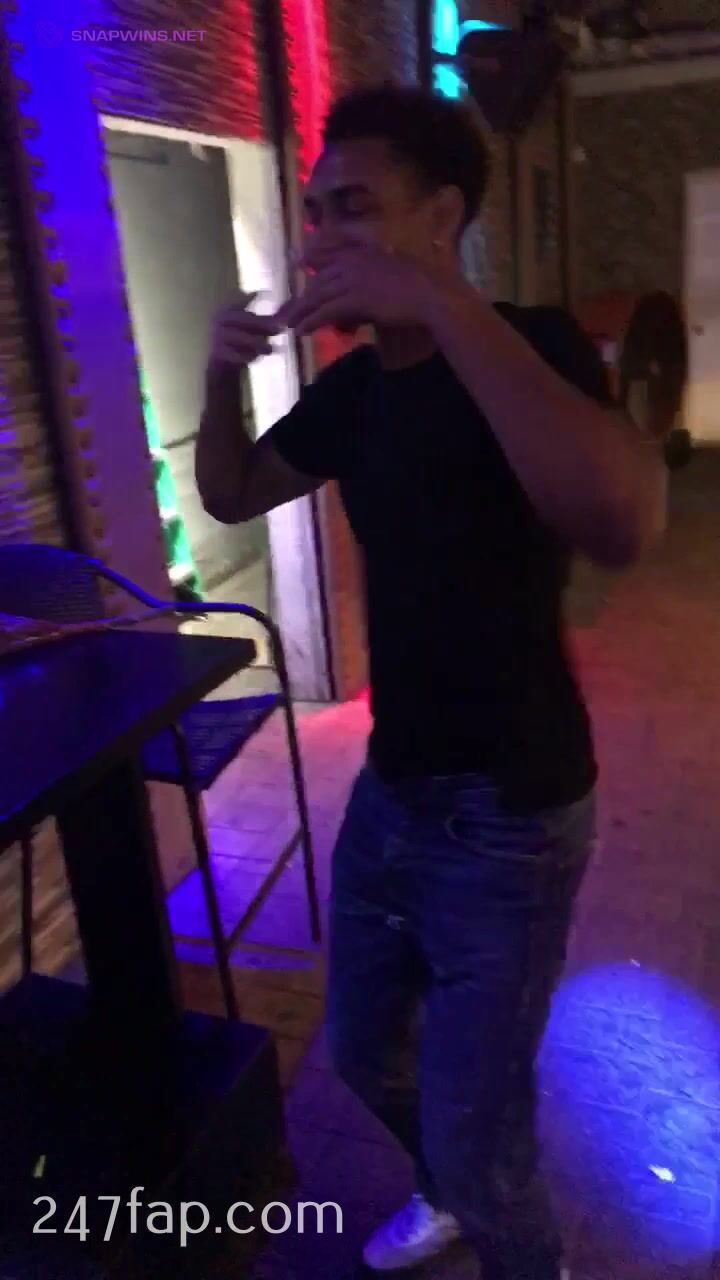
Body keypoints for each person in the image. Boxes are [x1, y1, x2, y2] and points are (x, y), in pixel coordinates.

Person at [196, 85, 666, 1280]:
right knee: (362, 1048)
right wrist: (218, 376)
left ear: (443, 215)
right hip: (394, 785)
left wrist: (448, 308)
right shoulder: (356, 392)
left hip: (512, 807)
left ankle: (514, 1243)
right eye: (315, 212)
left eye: (354, 207)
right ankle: (449, 1193)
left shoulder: (531, 344)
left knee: (481, 1124)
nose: (322, 236)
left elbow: (624, 520)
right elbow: (234, 493)